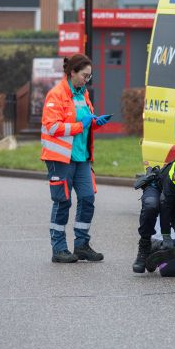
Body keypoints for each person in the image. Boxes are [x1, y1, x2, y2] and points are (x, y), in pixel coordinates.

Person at [40, 54, 111, 263]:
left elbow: (85, 120)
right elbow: (52, 127)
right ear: (72, 72)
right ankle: (59, 249)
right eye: (84, 75)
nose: (86, 80)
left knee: (88, 199)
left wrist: (96, 122)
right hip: (60, 159)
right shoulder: (56, 95)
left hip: (81, 157)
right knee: (63, 202)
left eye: (89, 77)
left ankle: (81, 245)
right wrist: (82, 125)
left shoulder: (83, 94)